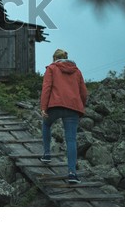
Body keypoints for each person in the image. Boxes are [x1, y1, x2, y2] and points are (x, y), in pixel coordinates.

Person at [39, 49, 88, 184]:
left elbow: (46, 88)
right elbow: (83, 92)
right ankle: (72, 173)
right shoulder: (77, 71)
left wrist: (43, 108)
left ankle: (47, 154)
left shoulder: (52, 68)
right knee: (71, 140)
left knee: (46, 124)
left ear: (54, 58)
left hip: (55, 106)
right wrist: (80, 107)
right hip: (73, 108)